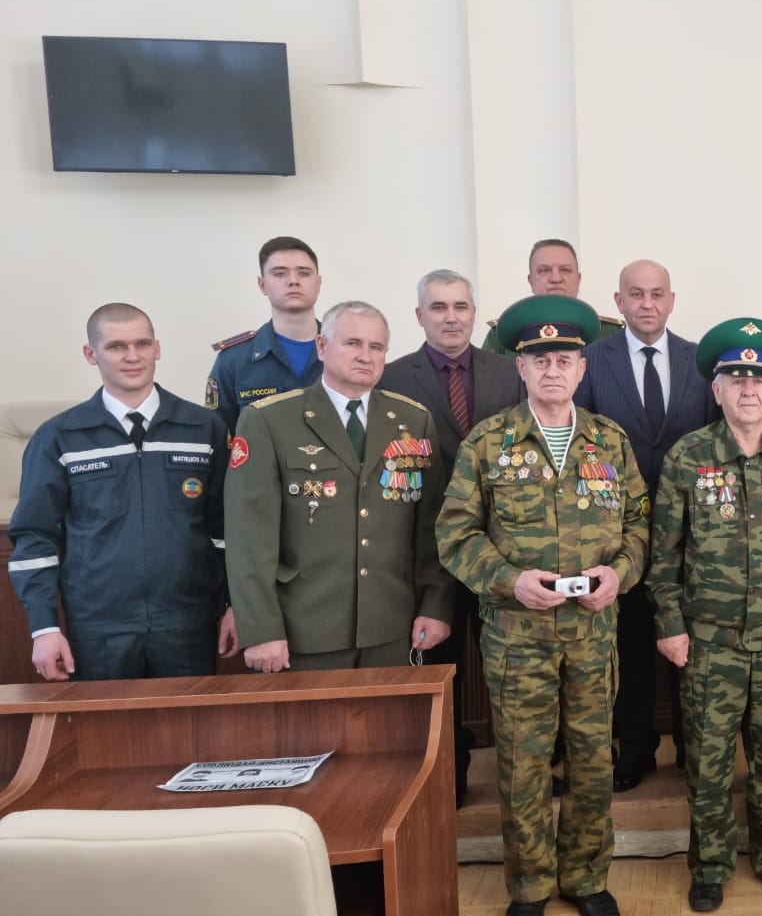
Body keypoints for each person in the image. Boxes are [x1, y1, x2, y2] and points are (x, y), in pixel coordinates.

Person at [436, 295, 649, 916]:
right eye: (540, 361)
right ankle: (528, 884)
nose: (553, 370)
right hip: (516, 637)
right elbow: (455, 533)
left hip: (592, 634)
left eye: (564, 360)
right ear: (521, 369)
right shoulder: (487, 441)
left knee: (592, 760)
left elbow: (640, 523)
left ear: (582, 369)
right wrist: (511, 581)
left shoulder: (610, 441)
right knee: (523, 763)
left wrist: (620, 573)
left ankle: (586, 877)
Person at [648, 318, 762, 913]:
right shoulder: (688, 456)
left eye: (759, 380)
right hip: (707, 643)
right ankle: (712, 865)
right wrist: (669, 624)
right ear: (716, 390)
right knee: (708, 763)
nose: (748, 390)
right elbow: (662, 552)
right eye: (736, 380)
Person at [224, 301, 453, 672]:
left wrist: (435, 606)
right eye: (352, 343)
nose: (365, 355)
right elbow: (249, 538)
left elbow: (432, 529)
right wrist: (261, 629)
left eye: (376, 347)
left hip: (392, 626)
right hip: (302, 631)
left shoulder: (413, 420)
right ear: (322, 346)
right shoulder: (269, 420)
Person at [10, 303, 233, 680]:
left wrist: (233, 605)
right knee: (104, 721)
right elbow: (35, 537)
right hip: (98, 627)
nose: (132, 356)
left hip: (188, 623)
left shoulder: (204, 428)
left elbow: (227, 529)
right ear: (91, 354)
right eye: (116, 346)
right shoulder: (59, 437)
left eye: (142, 344)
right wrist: (44, 627)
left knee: (187, 719)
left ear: (157, 348)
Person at [379, 269, 525, 803]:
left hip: (505, 547)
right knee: (440, 666)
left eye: (461, 306)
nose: (451, 317)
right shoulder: (392, 378)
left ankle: (527, 772)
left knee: (514, 665)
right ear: (420, 316)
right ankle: (449, 775)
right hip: (429, 549)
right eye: (439, 307)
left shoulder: (511, 372)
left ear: (474, 313)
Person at [575, 259, 718, 790]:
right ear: (619, 302)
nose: (647, 303)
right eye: (636, 294)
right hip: (619, 533)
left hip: (692, 533)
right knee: (631, 644)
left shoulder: (700, 361)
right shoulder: (592, 360)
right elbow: (583, 442)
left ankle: (690, 745)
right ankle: (634, 748)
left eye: (657, 294)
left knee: (690, 642)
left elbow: (714, 442)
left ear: (671, 300)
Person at [205, 236, 325, 434]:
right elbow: (218, 435)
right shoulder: (234, 360)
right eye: (280, 274)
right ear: (262, 285)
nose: (293, 281)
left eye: (303, 273)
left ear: (318, 283)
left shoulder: (348, 352)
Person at [482, 239, 623, 354]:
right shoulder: (503, 334)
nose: (556, 278)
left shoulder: (610, 333)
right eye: (544, 270)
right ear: (531, 281)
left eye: (565, 270)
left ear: (578, 279)